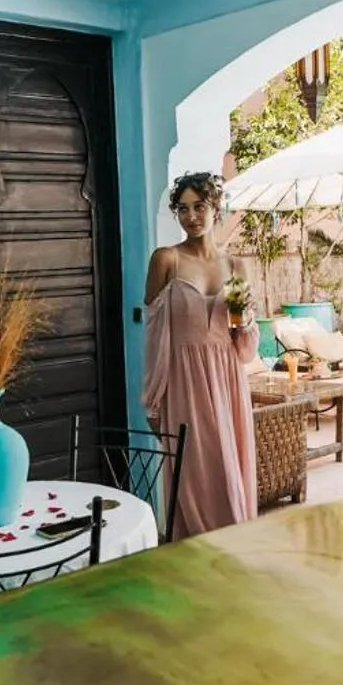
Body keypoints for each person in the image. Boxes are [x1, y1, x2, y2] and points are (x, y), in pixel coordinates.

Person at [142, 172, 260, 537]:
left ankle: (234, 556)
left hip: (227, 380)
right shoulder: (166, 260)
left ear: (216, 208)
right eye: (183, 209)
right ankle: (193, 557)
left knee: (230, 471)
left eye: (200, 207)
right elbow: (154, 336)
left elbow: (244, 350)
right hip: (184, 383)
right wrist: (153, 398)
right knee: (193, 475)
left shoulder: (237, 266)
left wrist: (248, 319)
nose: (191, 216)